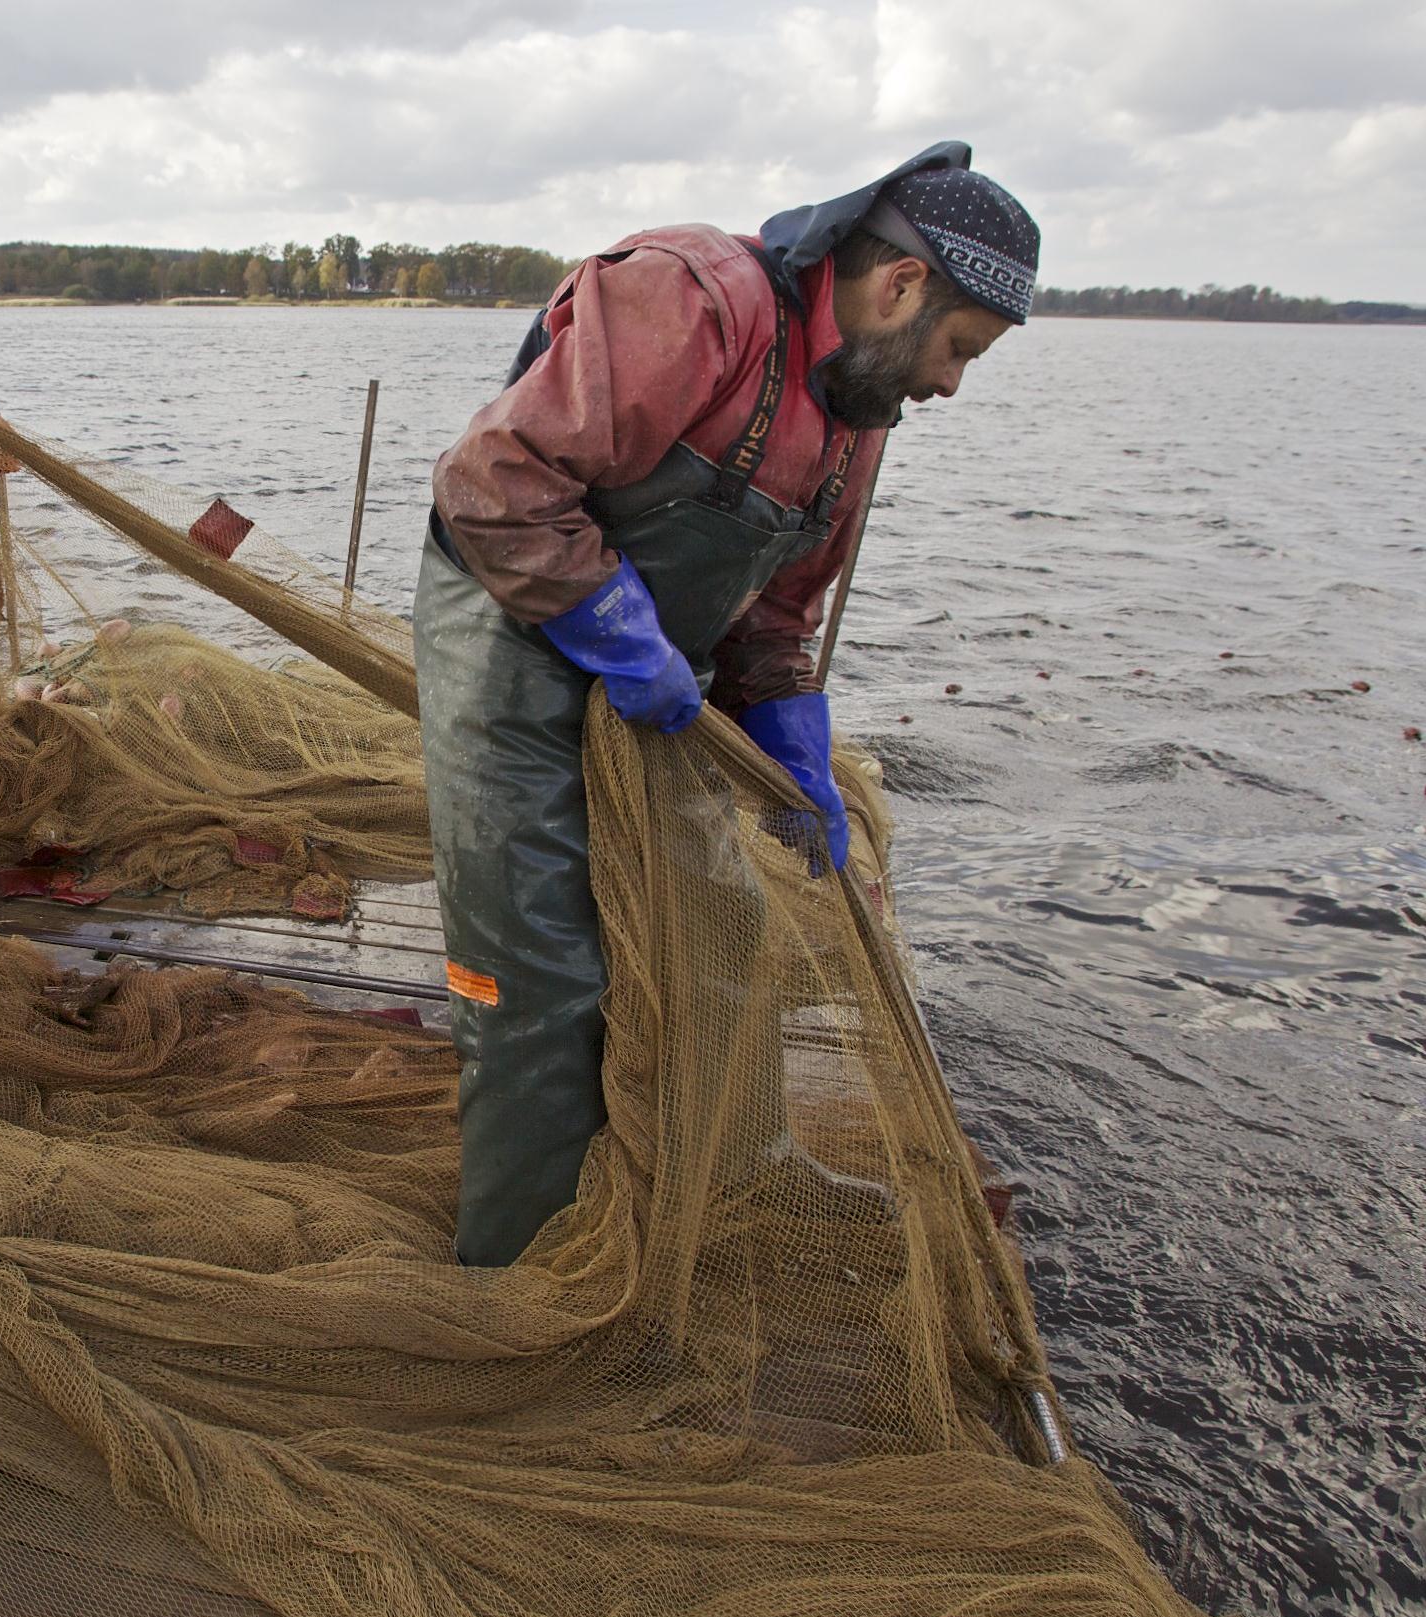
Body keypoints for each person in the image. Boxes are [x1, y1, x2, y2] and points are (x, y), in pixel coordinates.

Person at [416, 142, 1039, 1266]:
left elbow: (775, 613)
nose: (948, 382)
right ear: (898, 286)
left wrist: (790, 727)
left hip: (658, 675)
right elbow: (490, 482)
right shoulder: (695, 296)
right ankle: (525, 1264)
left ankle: (743, 1173)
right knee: (538, 978)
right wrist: (610, 625)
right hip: (507, 632)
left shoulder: (856, 410)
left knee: (726, 925)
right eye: (957, 349)